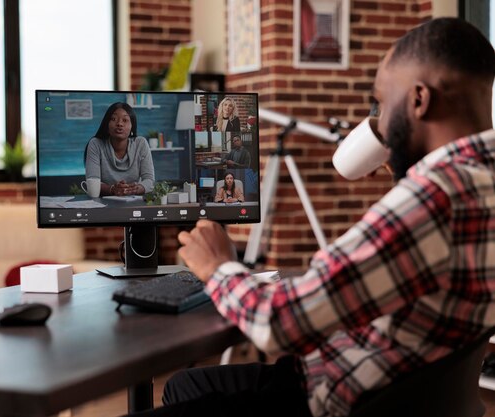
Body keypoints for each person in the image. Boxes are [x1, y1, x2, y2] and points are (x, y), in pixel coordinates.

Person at [128, 18, 495, 417]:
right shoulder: (475, 184)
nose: (379, 124)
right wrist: (407, 174)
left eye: (381, 103)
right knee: (189, 383)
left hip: (330, 400)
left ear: (419, 100)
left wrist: (217, 265)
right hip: (403, 389)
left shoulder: (431, 199)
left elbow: (280, 323)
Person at [85, 102, 154, 196]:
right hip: (103, 204)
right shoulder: (96, 144)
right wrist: (113, 189)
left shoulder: (140, 144)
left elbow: (149, 180)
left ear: (132, 126)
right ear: (107, 124)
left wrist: (133, 189)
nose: (119, 124)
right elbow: (92, 181)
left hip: (133, 203)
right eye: (113, 119)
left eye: (125, 120)